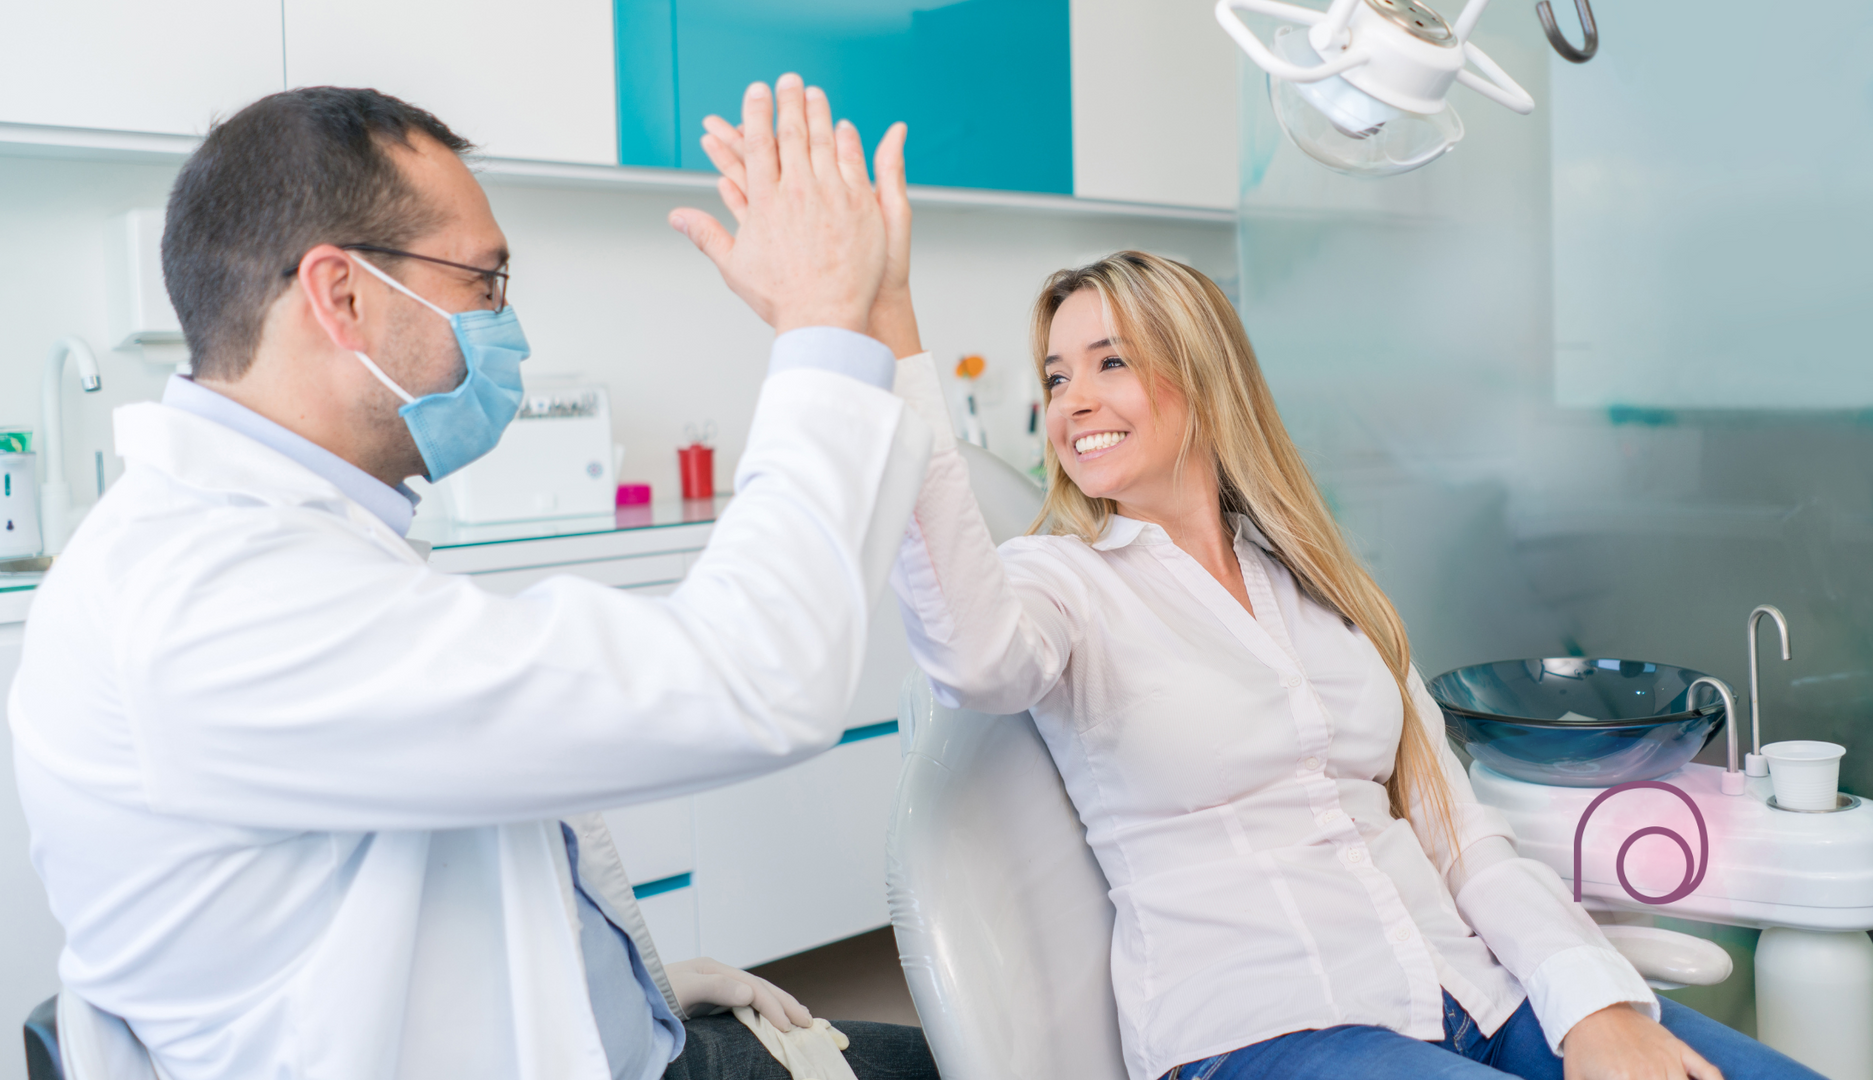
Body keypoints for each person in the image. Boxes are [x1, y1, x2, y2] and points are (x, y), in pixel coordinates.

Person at [693, 107, 1818, 1080]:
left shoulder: (1327, 591)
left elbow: (1461, 841)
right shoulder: (1067, 586)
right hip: (1269, 1031)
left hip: (1473, 997)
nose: (1071, 398)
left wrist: (1599, 1006)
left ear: (1202, 375)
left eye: (1111, 361)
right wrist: (885, 328)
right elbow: (975, 655)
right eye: (1053, 373)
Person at [10, 78, 940, 1080]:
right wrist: (825, 324)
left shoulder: (284, 540)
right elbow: (753, 680)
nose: (509, 327)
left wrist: (636, 987)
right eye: (485, 284)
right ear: (343, 295)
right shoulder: (213, 596)